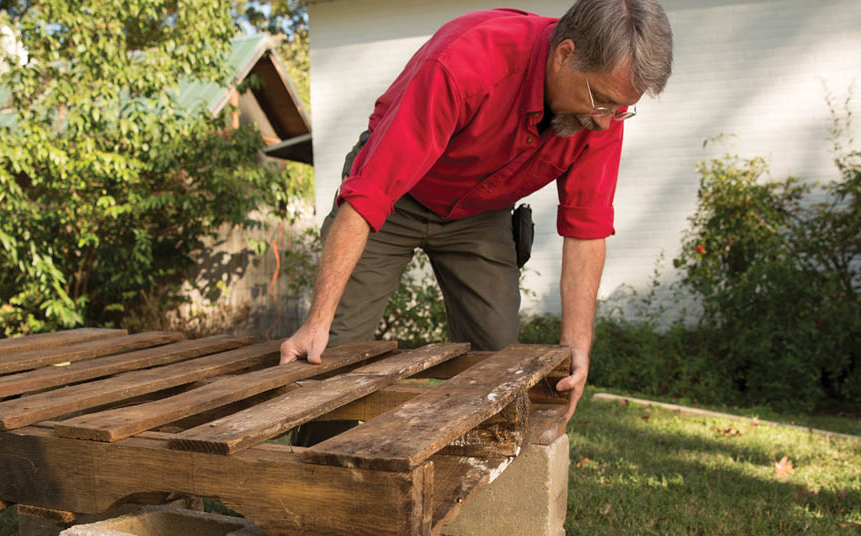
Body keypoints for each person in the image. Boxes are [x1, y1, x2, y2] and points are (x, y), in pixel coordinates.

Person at [279, 0, 673, 424]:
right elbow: (370, 194)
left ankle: (474, 474)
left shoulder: (602, 116)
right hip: (397, 196)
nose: (605, 122)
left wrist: (576, 347)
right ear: (565, 55)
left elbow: (586, 227)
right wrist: (318, 321)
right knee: (333, 347)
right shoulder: (467, 61)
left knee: (497, 359)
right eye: (603, 101)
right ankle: (317, 477)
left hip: (480, 211)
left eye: (621, 109)